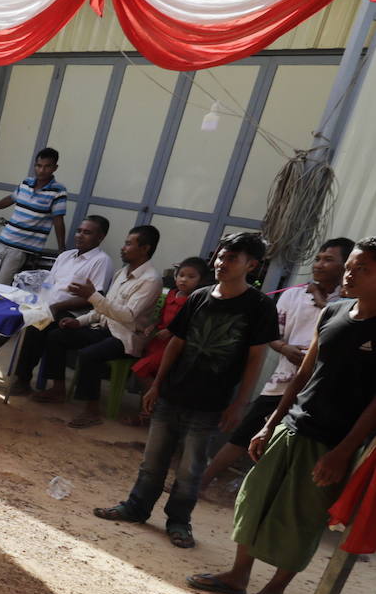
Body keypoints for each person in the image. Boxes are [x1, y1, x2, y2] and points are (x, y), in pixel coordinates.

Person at [187, 237, 376, 594]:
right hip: (292, 426)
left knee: (300, 517)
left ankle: (274, 589)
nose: (351, 273)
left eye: (364, 270)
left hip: (333, 442)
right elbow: (304, 373)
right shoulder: (334, 311)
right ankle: (238, 576)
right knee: (255, 499)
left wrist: (342, 453)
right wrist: (270, 424)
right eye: (351, 266)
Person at [93, 232, 279, 550]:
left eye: (232, 258)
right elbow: (176, 342)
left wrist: (239, 404)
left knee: (191, 469)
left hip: (210, 403)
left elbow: (255, 358)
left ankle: (179, 521)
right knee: (152, 461)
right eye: (221, 256)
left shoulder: (259, 306)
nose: (222, 262)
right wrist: (157, 385)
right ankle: (136, 507)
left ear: (252, 265)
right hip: (172, 394)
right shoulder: (200, 296)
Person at [198, 237, 354, 493]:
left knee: (289, 443)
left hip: (318, 390)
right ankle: (202, 481)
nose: (320, 264)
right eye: (318, 258)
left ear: (345, 265)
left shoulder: (350, 302)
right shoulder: (293, 295)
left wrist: (321, 299)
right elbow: (272, 335)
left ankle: (256, 490)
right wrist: (285, 348)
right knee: (246, 433)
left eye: (329, 260)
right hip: (283, 381)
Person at [34, 225, 164, 428]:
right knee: (57, 335)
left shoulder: (151, 280)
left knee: (89, 354)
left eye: (129, 244)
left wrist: (92, 296)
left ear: (145, 249)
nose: (123, 248)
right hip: (104, 328)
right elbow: (103, 308)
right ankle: (58, 388)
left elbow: (128, 316)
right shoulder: (122, 273)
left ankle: (91, 410)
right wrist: (80, 321)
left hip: (125, 337)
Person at [0, 216, 114, 379]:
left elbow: (93, 297)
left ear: (100, 237)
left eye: (87, 233)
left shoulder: (101, 261)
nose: (80, 235)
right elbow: (49, 285)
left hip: (70, 312)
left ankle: (20, 378)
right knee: (14, 313)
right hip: (47, 305)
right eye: (79, 231)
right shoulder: (66, 256)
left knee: (33, 324)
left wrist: (55, 307)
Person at [122, 256, 210, 425]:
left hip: (174, 345)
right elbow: (160, 315)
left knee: (141, 370)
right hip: (157, 342)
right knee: (150, 374)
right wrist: (153, 325)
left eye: (191, 277)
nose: (184, 280)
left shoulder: (197, 300)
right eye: (181, 275)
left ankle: (153, 408)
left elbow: (192, 325)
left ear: (201, 280)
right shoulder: (170, 293)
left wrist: (171, 331)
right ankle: (146, 412)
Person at [0, 147, 68, 284]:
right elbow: (11, 198)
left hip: (21, 248)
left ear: (55, 168)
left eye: (47, 166)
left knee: (3, 284)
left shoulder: (58, 191)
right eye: (38, 166)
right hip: (2, 241)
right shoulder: (26, 183)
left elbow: (58, 220)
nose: (42, 170)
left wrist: (61, 249)